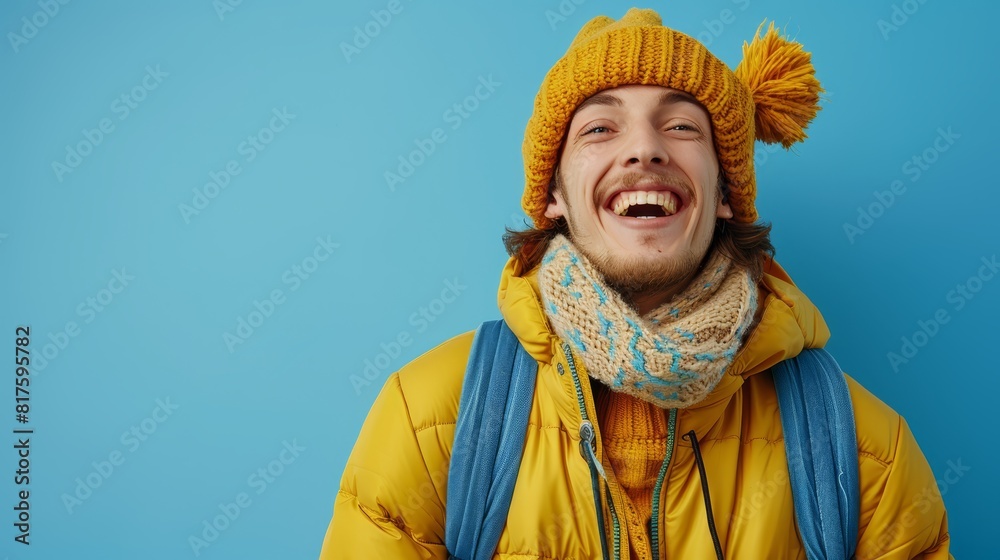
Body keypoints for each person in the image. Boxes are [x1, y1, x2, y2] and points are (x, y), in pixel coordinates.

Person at [319, 8, 951, 559]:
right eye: (599, 128)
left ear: (727, 192)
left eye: (681, 126)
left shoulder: (870, 452)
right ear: (555, 195)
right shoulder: (430, 419)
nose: (645, 149)